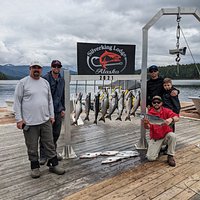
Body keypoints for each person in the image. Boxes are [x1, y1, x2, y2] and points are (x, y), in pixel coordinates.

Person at [13, 61, 65, 178]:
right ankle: (35, 167)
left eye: (39, 68)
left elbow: (50, 101)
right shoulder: (22, 83)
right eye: (34, 67)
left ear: (42, 69)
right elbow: (17, 103)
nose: (36, 69)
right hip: (29, 123)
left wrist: (51, 116)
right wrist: (19, 119)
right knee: (32, 146)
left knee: (50, 144)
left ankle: (53, 165)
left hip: (45, 120)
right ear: (30, 68)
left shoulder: (45, 82)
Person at [39, 60, 65, 165]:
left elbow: (63, 95)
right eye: (54, 66)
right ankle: (43, 155)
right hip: (47, 112)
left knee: (56, 134)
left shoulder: (62, 80)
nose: (56, 68)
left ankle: (52, 153)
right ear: (51, 67)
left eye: (58, 66)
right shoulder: (44, 79)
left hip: (58, 111)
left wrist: (63, 108)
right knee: (45, 134)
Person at [143, 95, 179, 167]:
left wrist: (171, 119)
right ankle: (157, 149)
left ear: (161, 103)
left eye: (158, 102)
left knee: (173, 136)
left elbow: (177, 117)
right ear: (152, 103)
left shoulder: (166, 110)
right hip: (155, 137)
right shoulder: (149, 114)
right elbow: (148, 127)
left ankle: (170, 156)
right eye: (154, 102)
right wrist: (146, 123)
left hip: (166, 135)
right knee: (150, 158)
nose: (156, 103)